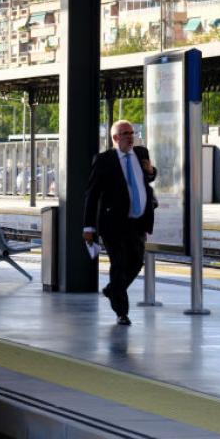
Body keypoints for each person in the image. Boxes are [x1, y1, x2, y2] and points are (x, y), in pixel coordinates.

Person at [83, 120, 157, 326]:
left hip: (138, 221)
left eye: (132, 133)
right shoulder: (104, 160)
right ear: (115, 138)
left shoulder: (141, 153)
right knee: (119, 265)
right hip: (113, 223)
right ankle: (122, 312)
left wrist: (151, 171)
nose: (130, 136)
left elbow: (148, 177)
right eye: (125, 133)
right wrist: (88, 227)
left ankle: (112, 290)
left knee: (135, 263)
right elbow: (92, 194)